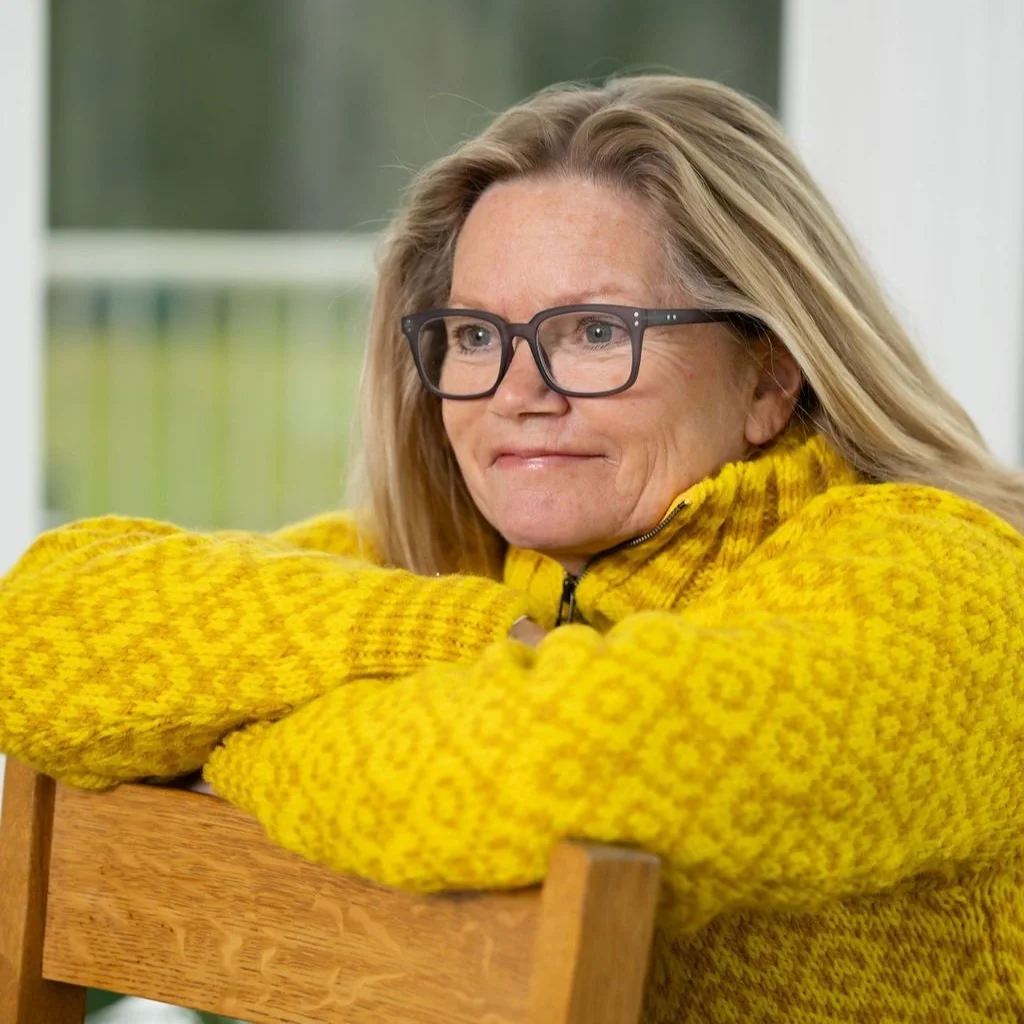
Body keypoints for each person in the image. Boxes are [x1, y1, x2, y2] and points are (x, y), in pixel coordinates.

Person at [2, 75, 1023, 1022]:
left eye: (591, 330)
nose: (517, 392)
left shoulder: (949, 591)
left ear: (769, 375)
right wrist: (471, 636)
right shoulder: (469, 570)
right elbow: (37, 631)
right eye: (478, 336)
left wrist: (228, 736)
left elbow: (557, 761)